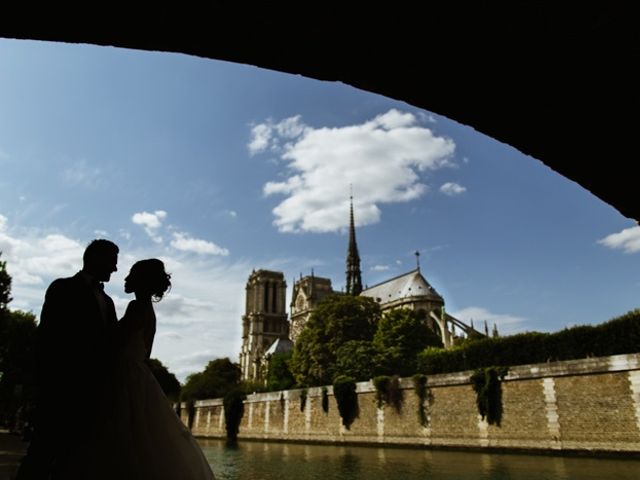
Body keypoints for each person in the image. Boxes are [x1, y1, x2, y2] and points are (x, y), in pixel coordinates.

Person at [64, 259, 215, 480]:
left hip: (122, 376)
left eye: (131, 274)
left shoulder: (136, 307)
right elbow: (145, 354)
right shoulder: (148, 310)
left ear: (141, 280)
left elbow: (113, 344)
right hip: (139, 376)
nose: (124, 278)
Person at [16, 239, 119, 480]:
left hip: (92, 395)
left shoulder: (108, 302)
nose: (115, 269)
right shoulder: (62, 288)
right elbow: (47, 339)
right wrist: (42, 386)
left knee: (70, 460)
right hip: (60, 389)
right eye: (112, 262)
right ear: (96, 259)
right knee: (42, 454)